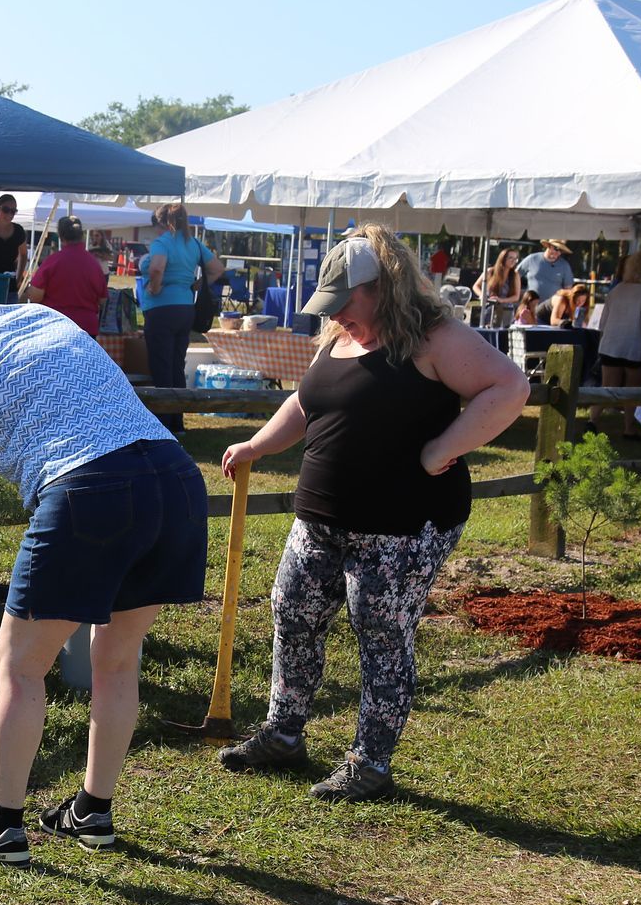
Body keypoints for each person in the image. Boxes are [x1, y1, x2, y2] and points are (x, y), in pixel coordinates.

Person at [0, 281, 208, 866]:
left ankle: (2, 826)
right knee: (116, 660)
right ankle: (92, 811)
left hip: (91, 491)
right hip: (174, 479)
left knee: (18, 664)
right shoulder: (36, 316)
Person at [216, 227, 529, 802]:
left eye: (346, 303)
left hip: (401, 525)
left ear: (383, 287)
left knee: (380, 630)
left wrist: (444, 448)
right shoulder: (338, 337)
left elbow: (509, 385)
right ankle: (284, 734)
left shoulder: (434, 338)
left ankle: (371, 762)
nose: (338, 316)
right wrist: (257, 445)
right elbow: (307, 401)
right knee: (293, 611)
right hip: (321, 518)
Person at [140, 203, 224, 433]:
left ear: (162, 224)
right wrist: (197, 284)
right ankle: (178, 422)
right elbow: (217, 268)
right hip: (186, 307)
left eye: (155, 226)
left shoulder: (162, 242)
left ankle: (164, 424)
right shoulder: (193, 243)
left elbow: (157, 268)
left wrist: (155, 288)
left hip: (162, 309)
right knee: (177, 365)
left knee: (161, 365)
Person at [588, 247, 641, 440]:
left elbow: (603, 322)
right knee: (633, 391)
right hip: (635, 349)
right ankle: (628, 428)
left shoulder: (618, 289)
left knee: (607, 388)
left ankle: (592, 421)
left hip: (611, 346)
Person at [25, 215, 108, 337]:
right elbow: (103, 299)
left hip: (55, 327)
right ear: (82, 235)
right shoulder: (94, 264)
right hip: (86, 329)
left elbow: (35, 296)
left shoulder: (53, 261)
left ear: (61, 236)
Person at [471, 248, 522, 327]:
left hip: (505, 311)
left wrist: (501, 300)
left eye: (515, 259)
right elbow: (476, 286)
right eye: (510, 258)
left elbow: (516, 297)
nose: (513, 261)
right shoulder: (490, 271)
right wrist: (482, 295)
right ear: (503, 259)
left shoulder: (515, 275)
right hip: (488, 308)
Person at [517, 239, 576, 307]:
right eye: (556, 248)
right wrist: (518, 292)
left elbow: (568, 289)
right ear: (549, 246)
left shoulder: (565, 266)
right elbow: (515, 275)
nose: (558, 252)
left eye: (561, 250)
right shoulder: (532, 258)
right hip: (529, 305)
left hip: (551, 308)